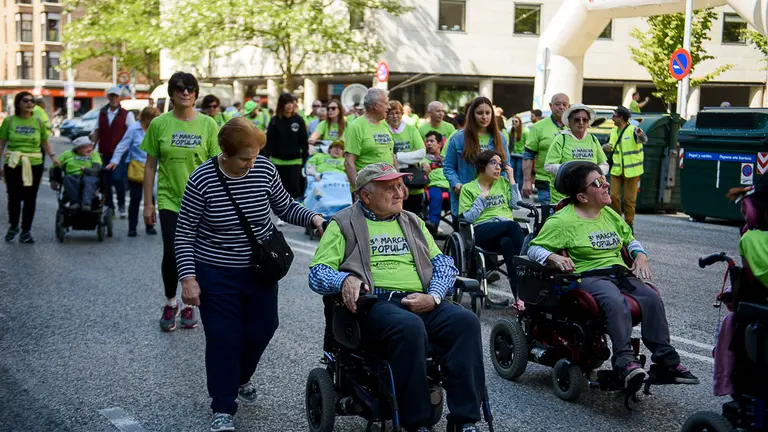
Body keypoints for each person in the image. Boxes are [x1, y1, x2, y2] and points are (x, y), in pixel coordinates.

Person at [309, 163, 486, 432]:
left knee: (466, 322)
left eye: (400, 186)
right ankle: (415, 423)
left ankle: (464, 420)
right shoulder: (342, 223)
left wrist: (435, 297)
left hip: (421, 299)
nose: (399, 193)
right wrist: (344, 279)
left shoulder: (412, 221)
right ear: (365, 196)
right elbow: (317, 273)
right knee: (409, 327)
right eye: (389, 188)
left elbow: (444, 265)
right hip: (374, 304)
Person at [175, 117, 325, 432]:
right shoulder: (202, 179)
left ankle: (239, 377)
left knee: (263, 329)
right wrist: (188, 278)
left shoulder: (264, 169)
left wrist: (313, 218)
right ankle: (223, 407)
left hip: (258, 269)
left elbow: (284, 207)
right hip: (215, 270)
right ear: (226, 154)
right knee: (223, 338)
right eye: (245, 157)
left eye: (256, 155)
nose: (252, 162)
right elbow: (185, 231)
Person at [527, 161, 699, 391]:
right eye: (598, 182)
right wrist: (554, 258)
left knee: (651, 297)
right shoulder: (562, 220)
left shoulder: (608, 213)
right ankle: (625, 361)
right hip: (588, 277)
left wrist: (640, 255)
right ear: (582, 196)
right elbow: (534, 248)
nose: (606, 184)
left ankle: (666, 361)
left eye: (603, 178)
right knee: (615, 302)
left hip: (618, 272)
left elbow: (629, 239)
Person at [141, 71, 221, 332]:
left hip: (202, 202)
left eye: (190, 88)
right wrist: (148, 204)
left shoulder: (208, 125)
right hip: (170, 201)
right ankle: (171, 301)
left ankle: (190, 305)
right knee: (172, 253)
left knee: (198, 255)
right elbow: (150, 166)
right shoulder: (159, 124)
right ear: (172, 94)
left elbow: (217, 166)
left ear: (196, 93)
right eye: (179, 88)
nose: (185, 92)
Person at [459, 150, 525, 292]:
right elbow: (468, 218)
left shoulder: (503, 182)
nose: (498, 167)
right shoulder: (468, 188)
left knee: (508, 243)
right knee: (513, 226)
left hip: (504, 229)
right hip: (482, 230)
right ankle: (524, 265)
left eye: (500, 164)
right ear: (482, 165)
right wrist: (481, 199)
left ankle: (519, 296)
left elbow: (516, 205)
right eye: (494, 163)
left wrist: (512, 179)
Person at [0, 91, 59, 243]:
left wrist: (53, 157)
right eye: (25, 100)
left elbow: (44, 142)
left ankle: (26, 231)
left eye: (31, 101)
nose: (29, 103)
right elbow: (2, 144)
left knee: (30, 198)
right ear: (18, 103)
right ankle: (13, 226)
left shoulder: (38, 121)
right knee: (13, 197)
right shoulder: (9, 121)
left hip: (34, 164)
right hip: (13, 164)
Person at [443, 96, 510, 216]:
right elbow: (448, 167)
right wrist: (456, 184)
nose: (484, 117)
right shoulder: (458, 138)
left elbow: (505, 167)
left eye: (488, 113)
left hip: (493, 200)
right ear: (472, 114)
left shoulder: (500, 138)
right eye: (480, 113)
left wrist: (503, 187)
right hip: (466, 197)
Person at [107, 106, 161, 237]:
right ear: (146, 118)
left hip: (153, 168)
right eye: (152, 119)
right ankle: (132, 227)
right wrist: (114, 161)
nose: (154, 121)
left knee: (151, 199)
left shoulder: (157, 129)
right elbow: (122, 145)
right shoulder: (134, 129)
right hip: (137, 167)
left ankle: (150, 225)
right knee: (135, 198)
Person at [543, 103, 609, 205]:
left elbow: (604, 165)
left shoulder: (593, 139)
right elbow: (548, 166)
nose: (581, 123)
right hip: (564, 196)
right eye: (577, 119)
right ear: (569, 121)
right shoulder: (561, 139)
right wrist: (573, 171)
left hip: (590, 196)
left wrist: (592, 173)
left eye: (585, 120)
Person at [92, 86, 136, 219]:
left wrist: (129, 148)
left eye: (116, 96)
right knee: (106, 181)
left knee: (118, 179)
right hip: (104, 152)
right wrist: (91, 145)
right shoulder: (102, 113)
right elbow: (96, 131)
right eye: (111, 96)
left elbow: (132, 133)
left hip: (120, 153)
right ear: (108, 97)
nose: (114, 98)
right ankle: (109, 206)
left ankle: (121, 205)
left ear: (120, 98)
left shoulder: (127, 114)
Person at [342, 88, 396, 189]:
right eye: (386, 103)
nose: (389, 107)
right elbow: (349, 163)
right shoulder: (356, 127)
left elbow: (391, 154)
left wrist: (399, 182)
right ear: (375, 105)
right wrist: (357, 190)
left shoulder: (384, 124)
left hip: (389, 184)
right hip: (368, 188)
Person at [522, 93, 570, 206]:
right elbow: (528, 155)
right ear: (551, 106)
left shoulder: (574, 126)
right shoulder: (538, 127)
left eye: (564, 104)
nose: (561, 107)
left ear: (569, 107)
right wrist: (527, 181)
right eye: (557, 104)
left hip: (569, 182)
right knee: (548, 215)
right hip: (545, 181)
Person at [603, 106, 647, 230]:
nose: (612, 118)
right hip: (616, 170)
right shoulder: (613, 131)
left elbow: (644, 140)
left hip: (632, 171)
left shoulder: (634, 130)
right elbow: (612, 146)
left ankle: (629, 224)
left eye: (614, 116)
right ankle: (618, 222)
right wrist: (605, 147)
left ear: (621, 118)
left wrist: (641, 135)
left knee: (629, 200)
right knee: (613, 197)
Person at [264, 93, 309, 213]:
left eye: (291, 103)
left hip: (295, 160)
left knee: (294, 188)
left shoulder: (298, 120)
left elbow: (303, 141)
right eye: (286, 103)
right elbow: (269, 140)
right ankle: (281, 213)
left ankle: (293, 212)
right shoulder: (274, 120)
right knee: (280, 189)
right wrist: (266, 157)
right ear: (281, 105)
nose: (289, 106)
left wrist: (304, 157)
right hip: (277, 160)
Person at [388, 100, 426, 214]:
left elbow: (421, 153)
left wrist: (396, 156)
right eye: (391, 113)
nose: (395, 116)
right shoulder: (383, 129)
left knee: (414, 214)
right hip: (391, 175)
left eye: (398, 113)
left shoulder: (411, 128)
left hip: (412, 178)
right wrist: (410, 156)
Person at [54, 136, 102, 210]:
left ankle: (86, 204)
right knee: (68, 179)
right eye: (85, 147)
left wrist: (86, 170)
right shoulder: (67, 154)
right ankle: (74, 203)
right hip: (72, 175)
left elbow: (97, 169)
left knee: (89, 181)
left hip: (89, 175)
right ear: (78, 149)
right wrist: (53, 180)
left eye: (90, 146)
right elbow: (55, 165)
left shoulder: (94, 154)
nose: (89, 149)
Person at [422, 131, 449, 233]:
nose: (428, 143)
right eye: (427, 141)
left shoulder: (446, 158)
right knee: (436, 196)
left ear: (439, 144)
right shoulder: (424, 158)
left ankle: (459, 225)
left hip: (449, 186)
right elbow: (421, 162)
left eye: (432, 141)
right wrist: (424, 163)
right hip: (434, 186)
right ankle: (433, 224)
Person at [508, 116, 525, 186]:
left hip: (521, 156)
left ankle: (518, 192)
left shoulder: (525, 131)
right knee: (511, 174)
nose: (514, 123)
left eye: (516, 121)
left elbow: (528, 144)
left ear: (520, 122)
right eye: (513, 121)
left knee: (518, 175)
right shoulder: (511, 131)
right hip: (512, 155)